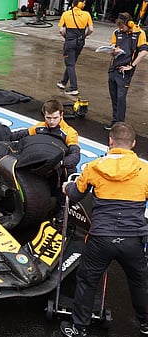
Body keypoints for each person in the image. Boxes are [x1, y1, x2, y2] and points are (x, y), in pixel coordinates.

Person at [59, 122, 148, 337]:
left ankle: (79, 328)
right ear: (133, 144)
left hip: (100, 238)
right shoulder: (145, 170)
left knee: (87, 281)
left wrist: (66, 188)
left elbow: (76, 194)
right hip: (133, 239)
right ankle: (145, 324)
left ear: (110, 141)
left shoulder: (94, 167)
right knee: (140, 283)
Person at [10, 99, 80, 175]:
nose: (52, 121)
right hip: (38, 161)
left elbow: (75, 155)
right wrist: (5, 135)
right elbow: (21, 134)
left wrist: (61, 163)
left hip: (57, 166)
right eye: (48, 118)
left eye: (55, 118)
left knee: (70, 171)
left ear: (61, 115)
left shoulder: (70, 132)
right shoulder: (39, 126)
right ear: (44, 115)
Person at [103, 12, 148, 130]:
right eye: (119, 27)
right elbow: (112, 46)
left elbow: (143, 51)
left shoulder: (139, 33)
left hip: (125, 71)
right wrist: (114, 50)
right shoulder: (117, 33)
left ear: (129, 23)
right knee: (114, 96)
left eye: (122, 26)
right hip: (113, 68)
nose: (120, 29)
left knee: (121, 98)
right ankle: (115, 120)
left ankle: (119, 123)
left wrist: (132, 66)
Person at [57, 0, 94, 96]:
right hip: (81, 41)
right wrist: (84, 35)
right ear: (80, 4)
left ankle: (74, 88)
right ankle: (63, 82)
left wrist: (66, 37)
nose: (85, 5)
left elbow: (61, 30)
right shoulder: (87, 14)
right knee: (71, 62)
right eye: (84, 3)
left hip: (70, 41)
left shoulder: (66, 14)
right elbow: (90, 29)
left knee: (70, 64)